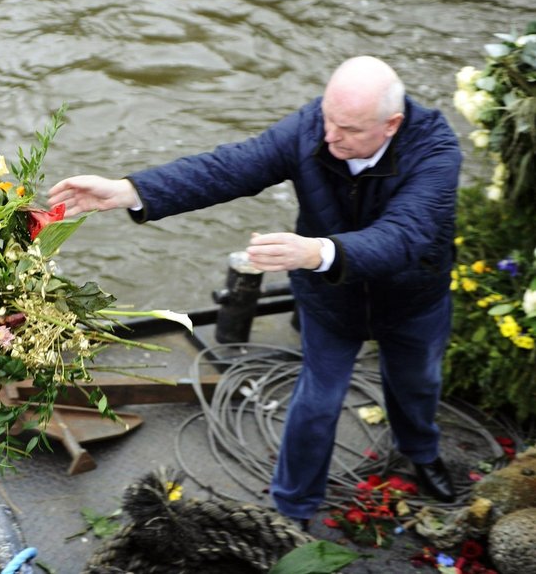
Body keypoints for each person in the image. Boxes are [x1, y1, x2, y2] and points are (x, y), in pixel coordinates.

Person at [47, 56, 462, 525]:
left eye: (347, 129)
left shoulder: (437, 151)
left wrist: (316, 252)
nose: (329, 137)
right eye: (327, 120)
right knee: (317, 402)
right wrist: (130, 190)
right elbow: (232, 167)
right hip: (332, 301)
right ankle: (292, 508)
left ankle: (421, 452)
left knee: (418, 382)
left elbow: (404, 235)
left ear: (392, 124)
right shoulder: (314, 127)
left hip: (411, 299)